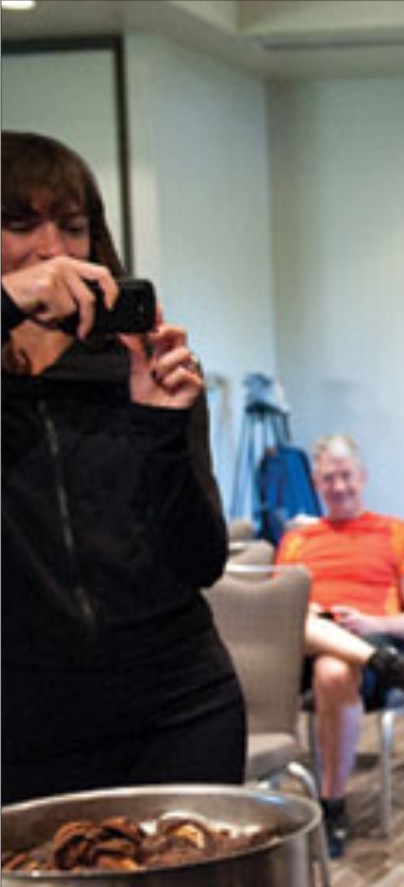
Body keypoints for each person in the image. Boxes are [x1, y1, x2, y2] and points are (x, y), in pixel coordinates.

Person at [2, 130, 246, 803]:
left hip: (175, 704)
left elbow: (201, 561)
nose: (52, 250)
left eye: (74, 227)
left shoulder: (136, 366)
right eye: (19, 224)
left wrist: (163, 427)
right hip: (20, 722)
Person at [275, 433, 404, 857]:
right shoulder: (296, 542)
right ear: (316, 482)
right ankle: (371, 658)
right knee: (303, 619)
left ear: (361, 477)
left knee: (334, 669)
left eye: (346, 476)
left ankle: (332, 804)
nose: (339, 487)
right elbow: (277, 615)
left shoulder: (396, 533)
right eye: (329, 479)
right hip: (304, 644)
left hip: (369, 640)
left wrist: (370, 622)